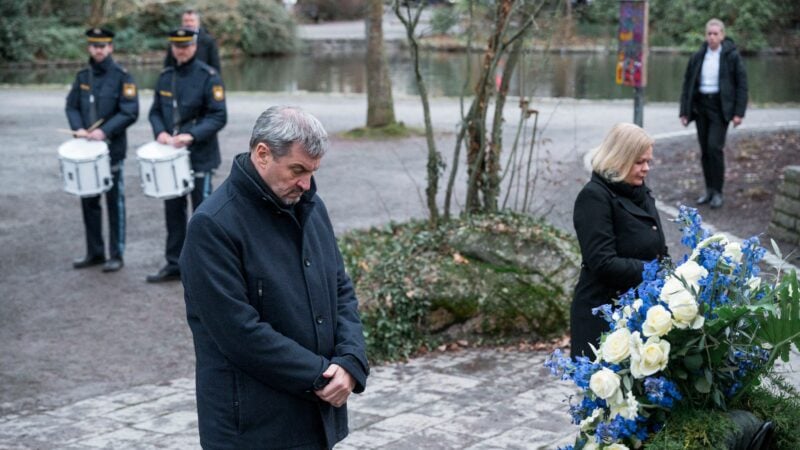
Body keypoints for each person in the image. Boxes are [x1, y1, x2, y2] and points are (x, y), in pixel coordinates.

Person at [179, 106, 369, 448]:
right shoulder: (213, 226)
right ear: (262, 154)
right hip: (252, 428)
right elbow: (239, 333)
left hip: (314, 415)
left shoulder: (310, 205)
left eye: (312, 171)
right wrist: (321, 375)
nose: (306, 183)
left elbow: (339, 288)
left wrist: (351, 361)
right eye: (297, 169)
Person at [571, 123, 668, 358]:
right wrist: (655, 272)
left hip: (640, 313)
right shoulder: (594, 197)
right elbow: (602, 262)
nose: (646, 169)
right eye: (639, 162)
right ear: (619, 159)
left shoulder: (640, 192)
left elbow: (658, 248)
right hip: (603, 317)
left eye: (648, 161)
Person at [147, 28, 227, 283]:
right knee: (173, 213)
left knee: (203, 215)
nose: (181, 50)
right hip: (171, 157)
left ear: (194, 46)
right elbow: (155, 111)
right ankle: (175, 264)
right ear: (172, 47)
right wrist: (160, 132)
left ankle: (204, 268)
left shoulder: (209, 77)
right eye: (177, 46)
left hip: (199, 156)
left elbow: (218, 116)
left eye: (186, 45)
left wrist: (191, 135)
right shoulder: (166, 76)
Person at [65, 28, 139, 273]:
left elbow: (130, 111)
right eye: (94, 45)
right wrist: (78, 128)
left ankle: (116, 254)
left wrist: (103, 131)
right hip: (86, 150)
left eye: (103, 45)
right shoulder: (83, 75)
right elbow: (72, 106)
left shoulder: (122, 76)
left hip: (111, 150)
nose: (98, 49)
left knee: (114, 202)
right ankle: (95, 252)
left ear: (110, 47)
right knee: (89, 202)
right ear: (89, 47)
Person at [679, 18, 748, 209]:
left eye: (716, 34)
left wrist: (738, 113)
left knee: (714, 148)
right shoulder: (699, 55)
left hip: (720, 107)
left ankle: (718, 191)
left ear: (722, 35)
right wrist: (684, 111)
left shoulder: (731, 56)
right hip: (701, 106)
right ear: (706, 35)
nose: (712, 37)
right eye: (709, 33)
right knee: (704, 151)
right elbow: (688, 84)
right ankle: (708, 190)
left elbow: (742, 85)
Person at [164, 9, 221, 73]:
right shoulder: (174, 40)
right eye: (186, 21)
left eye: (192, 21)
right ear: (182, 22)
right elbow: (168, 65)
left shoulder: (208, 40)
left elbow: (215, 66)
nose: (189, 24)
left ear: (198, 22)